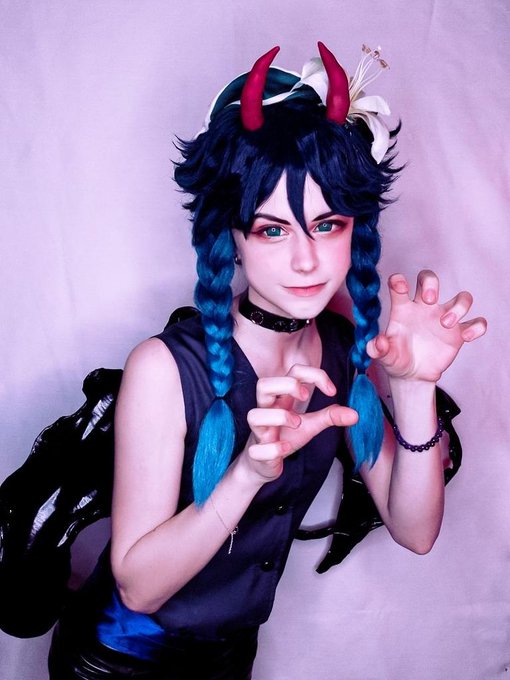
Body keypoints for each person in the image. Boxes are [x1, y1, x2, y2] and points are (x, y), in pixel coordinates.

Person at [46, 42, 486, 679]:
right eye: (272, 229)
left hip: (232, 658)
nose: (307, 259)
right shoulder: (165, 369)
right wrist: (246, 475)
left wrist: (414, 389)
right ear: (231, 237)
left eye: (328, 224)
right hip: (120, 662)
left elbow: (415, 531)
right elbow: (138, 588)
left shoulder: (344, 353)